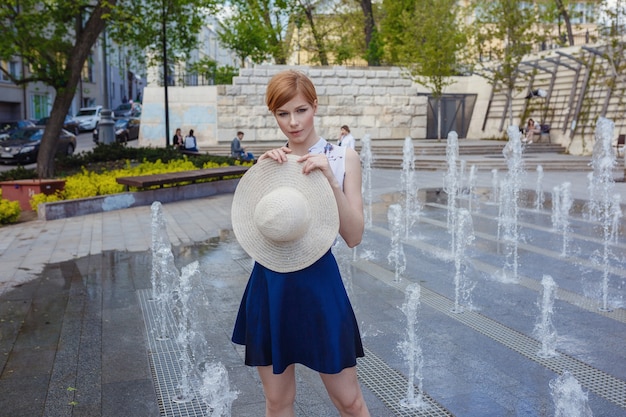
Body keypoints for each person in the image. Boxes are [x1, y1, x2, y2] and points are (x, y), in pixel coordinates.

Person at [231, 69, 370, 417]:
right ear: (274, 114)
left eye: (301, 110)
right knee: (278, 402)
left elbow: (353, 236)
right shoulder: (270, 163)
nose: (293, 122)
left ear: (315, 106)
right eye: (282, 113)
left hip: (319, 283)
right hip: (270, 282)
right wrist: (263, 175)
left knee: (349, 401)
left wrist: (329, 181)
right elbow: (251, 225)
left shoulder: (342, 158)